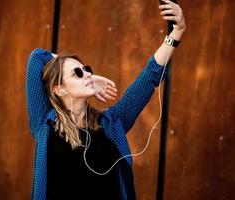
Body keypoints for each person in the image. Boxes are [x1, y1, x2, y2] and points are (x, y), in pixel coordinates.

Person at [26, 0, 186, 199]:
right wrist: (86, 75)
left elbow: (149, 76)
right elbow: (37, 57)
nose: (86, 74)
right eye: (77, 73)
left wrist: (176, 32)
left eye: (87, 70)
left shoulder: (111, 122)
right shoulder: (44, 122)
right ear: (58, 89)